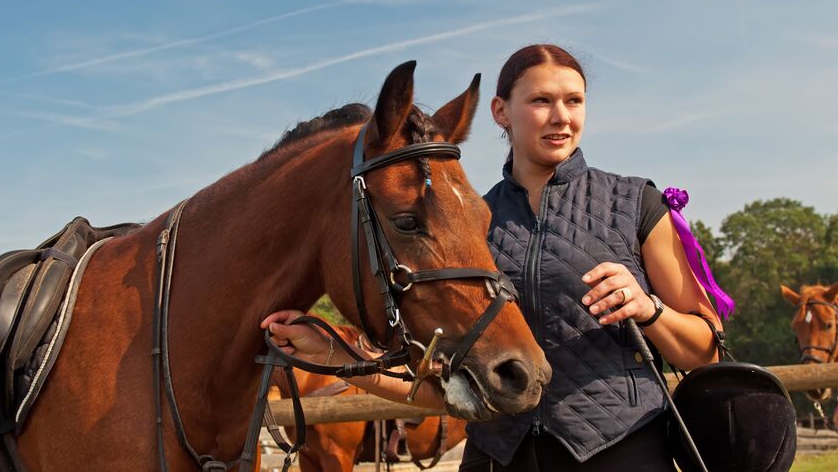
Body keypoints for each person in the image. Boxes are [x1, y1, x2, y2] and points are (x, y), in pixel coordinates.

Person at [262, 44, 725, 471]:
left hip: (621, 452)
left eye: (574, 101)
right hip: (495, 459)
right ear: (500, 112)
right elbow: (442, 392)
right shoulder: (466, 226)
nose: (561, 117)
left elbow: (704, 351)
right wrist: (334, 353)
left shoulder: (634, 204)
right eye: (541, 101)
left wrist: (650, 310)